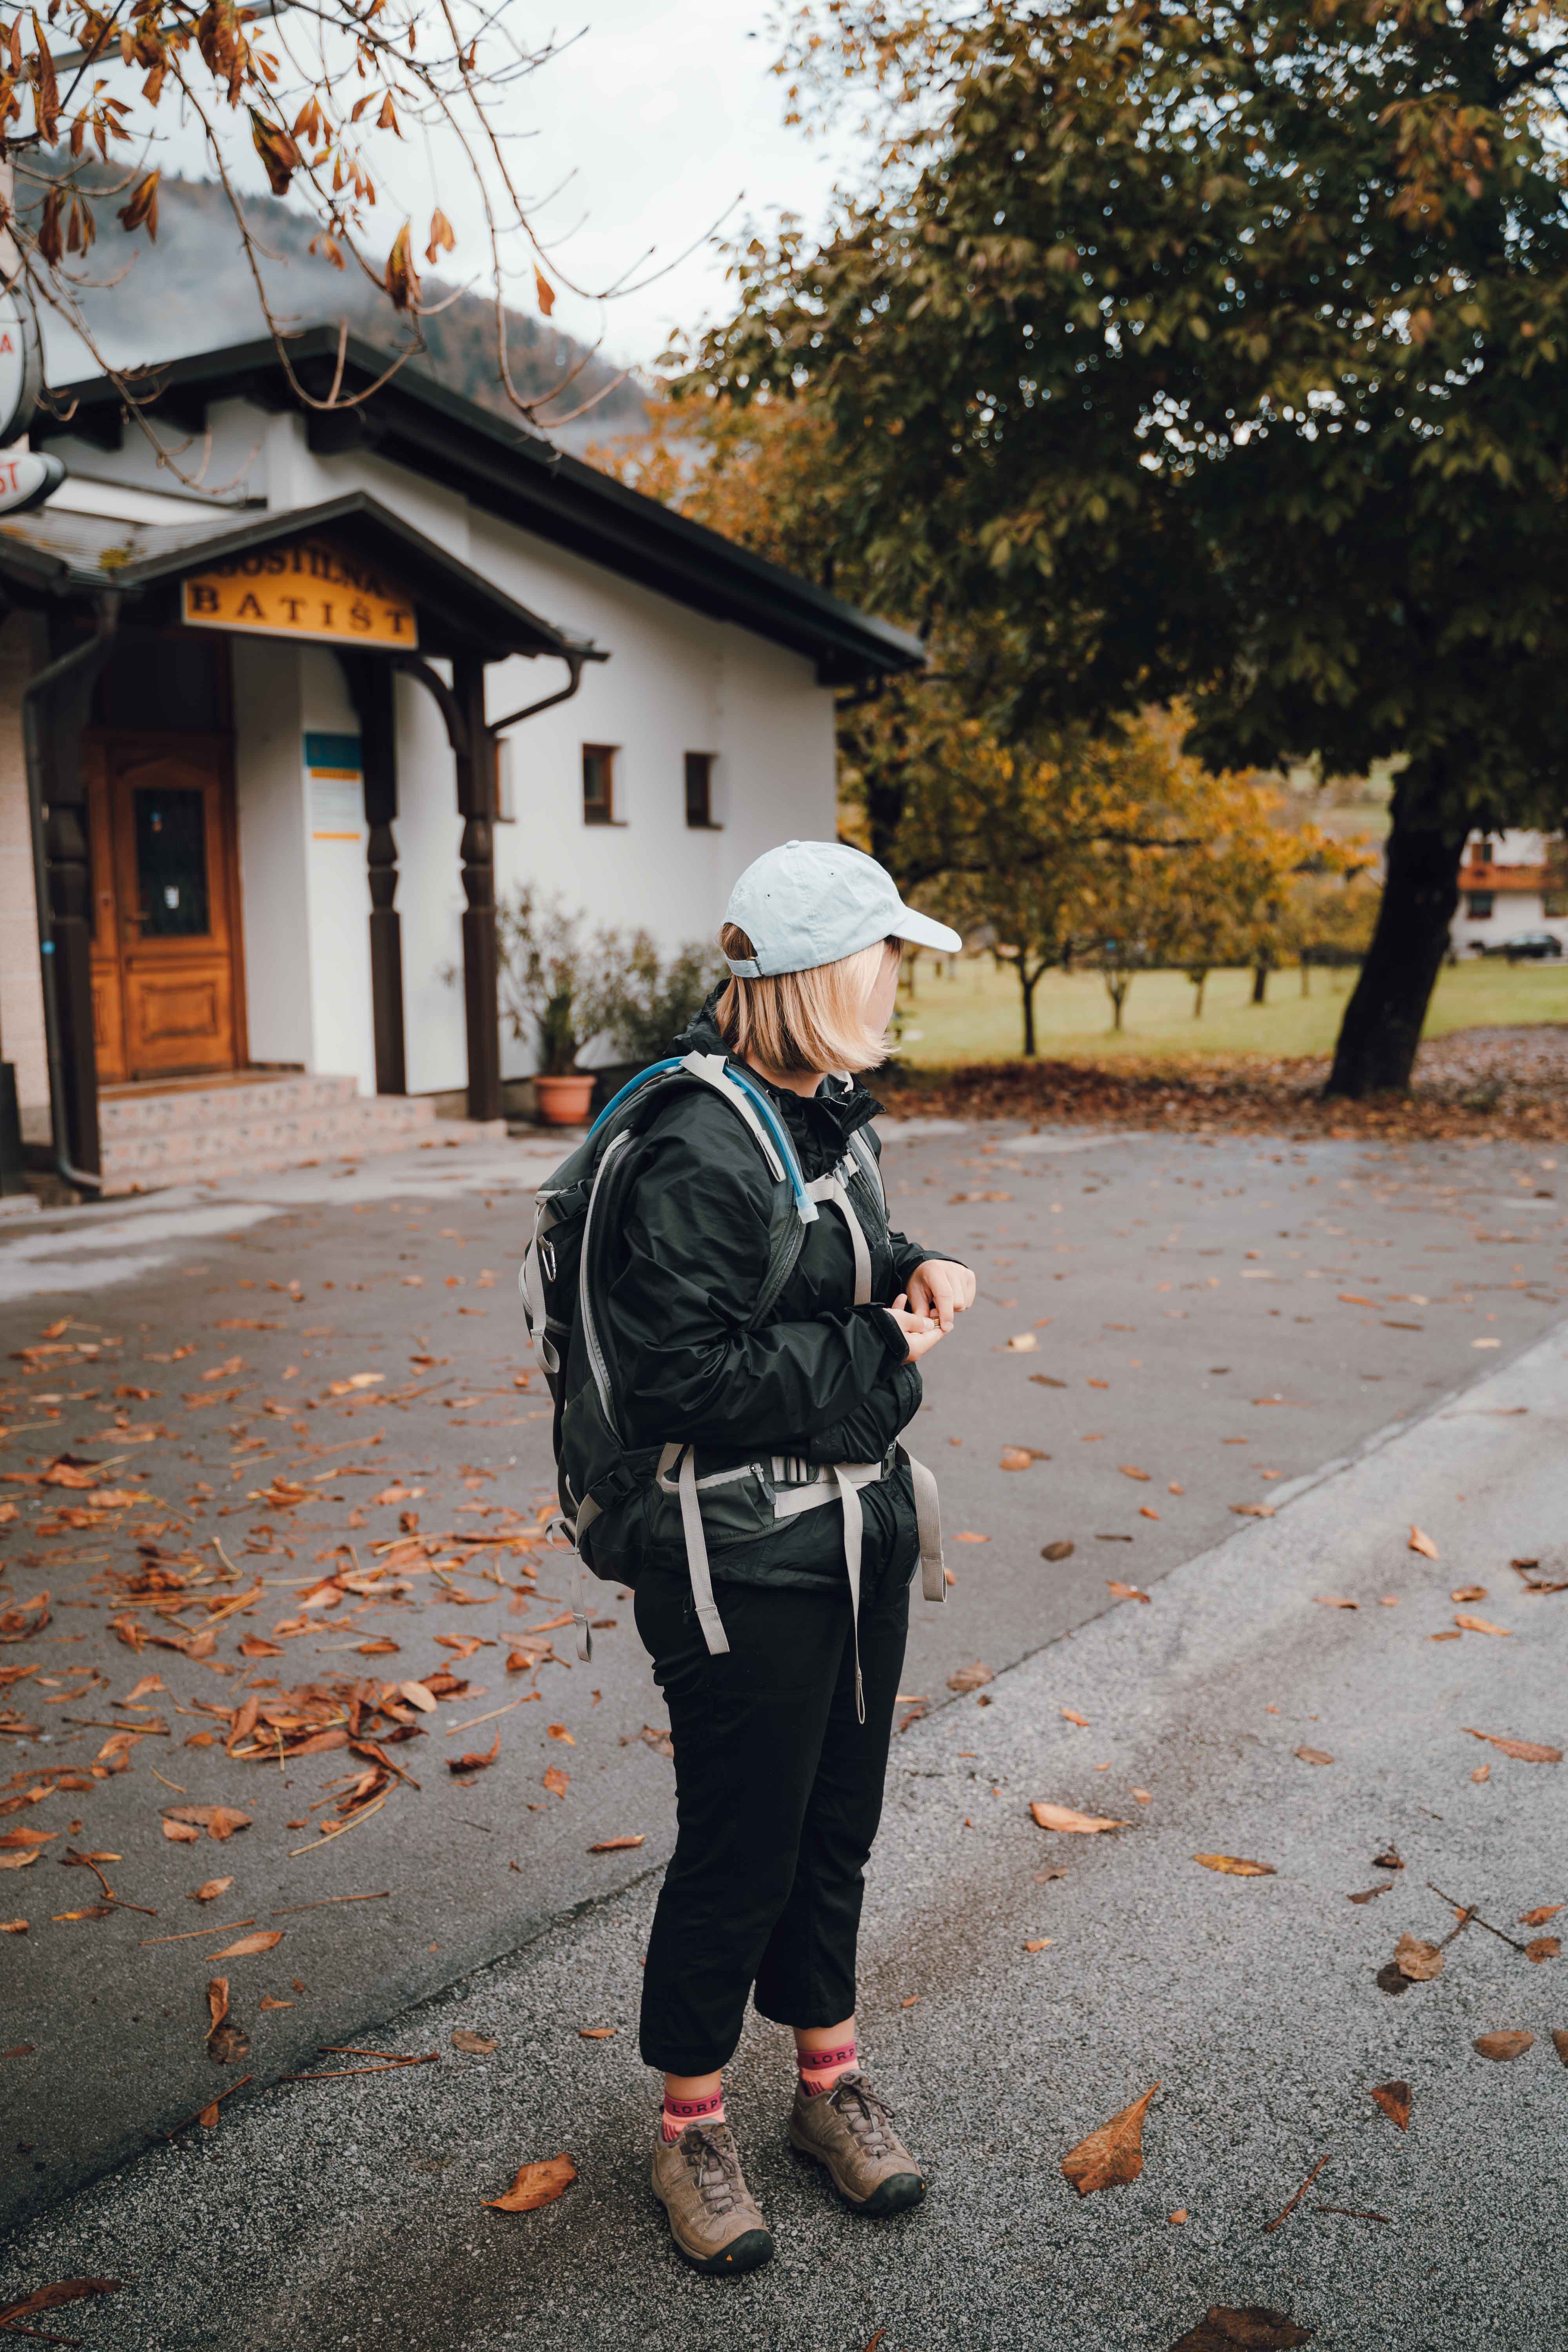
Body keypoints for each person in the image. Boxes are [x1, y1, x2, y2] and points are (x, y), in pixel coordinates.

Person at [603, 838, 976, 2274]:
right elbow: (682, 1378)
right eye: (884, 959)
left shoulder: (822, 1116)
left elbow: (813, 1264)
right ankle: (690, 2127)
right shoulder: (697, 1143)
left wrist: (912, 1261)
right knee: (743, 1838)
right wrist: (881, 1346)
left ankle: (829, 2084)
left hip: (852, 1532)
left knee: (835, 1822)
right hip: (737, 1555)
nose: (895, 984)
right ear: (823, 976)